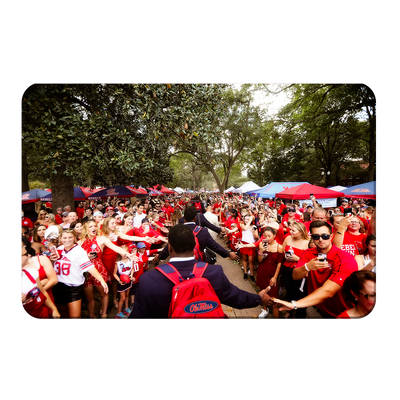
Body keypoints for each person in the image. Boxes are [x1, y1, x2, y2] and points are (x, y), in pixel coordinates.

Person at [128, 224, 274, 322]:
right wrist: (258, 299)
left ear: (169, 247)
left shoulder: (148, 280)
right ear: (194, 246)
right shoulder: (213, 272)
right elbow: (236, 298)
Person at [273, 220, 358, 321]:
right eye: (316, 237)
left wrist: (294, 304)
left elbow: (328, 291)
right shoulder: (308, 253)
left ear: (331, 236)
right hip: (316, 309)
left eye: (325, 236)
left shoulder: (345, 258)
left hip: (341, 313)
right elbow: (295, 276)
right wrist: (307, 267)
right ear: (312, 238)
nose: (321, 240)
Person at [51, 229, 109, 322]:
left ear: (74, 238)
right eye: (64, 238)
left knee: (75, 317)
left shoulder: (79, 251)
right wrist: (51, 259)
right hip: (58, 285)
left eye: (70, 237)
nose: (67, 240)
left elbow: (89, 267)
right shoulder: (58, 249)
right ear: (60, 239)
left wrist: (101, 280)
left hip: (73, 287)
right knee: (63, 312)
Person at [155, 204, 238, 263]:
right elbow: (215, 246)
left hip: (180, 263)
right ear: (195, 218)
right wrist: (229, 254)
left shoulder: (176, 231)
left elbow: (168, 247)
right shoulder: (203, 232)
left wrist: (159, 257)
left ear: (183, 218)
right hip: (198, 263)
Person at [19, 241, 60, 322]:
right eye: (26, 254)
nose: (29, 255)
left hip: (37, 312)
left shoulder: (32, 272)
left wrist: (54, 309)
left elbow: (42, 292)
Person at [281, 221, 310, 322]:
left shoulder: (307, 242)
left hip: (298, 270)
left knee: (299, 292)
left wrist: (297, 258)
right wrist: (285, 255)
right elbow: (283, 248)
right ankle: (289, 312)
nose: (290, 232)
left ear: (301, 232)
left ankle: (300, 313)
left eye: (293, 230)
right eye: (290, 229)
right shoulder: (288, 238)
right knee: (289, 290)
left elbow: (310, 260)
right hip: (286, 268)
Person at [255, 227, 284, 322]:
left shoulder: (279, 247)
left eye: (269, 236)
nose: (267, 238)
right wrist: (261, 251)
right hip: (262, 272)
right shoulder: (261, 244)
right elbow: (260, 260)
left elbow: (279, 263)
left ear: (274, 235)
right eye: (265, 235)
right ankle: (265, 310)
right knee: (263, 294)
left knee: (274, 301)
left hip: (272, 274)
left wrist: (275, 277)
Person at [113, 245, 134, 321]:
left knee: (127, 295)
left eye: (125, 252)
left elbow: (132, 269)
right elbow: (114, 274)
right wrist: (119, 281)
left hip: (128, 280)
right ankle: (118, 313)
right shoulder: (117, 263)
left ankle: (126, 308)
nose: (124, 254)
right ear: (119, 253)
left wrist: (131, 275)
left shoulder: (131, 260)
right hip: (121, 282)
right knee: (123, 298)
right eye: (122, 253)